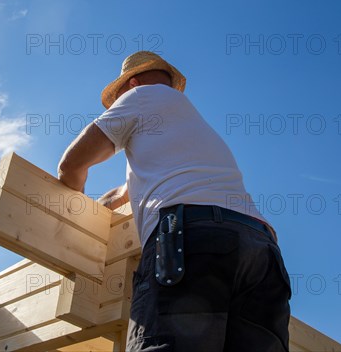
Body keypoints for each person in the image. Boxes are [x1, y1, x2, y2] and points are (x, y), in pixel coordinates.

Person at [57, 51, 292, 352]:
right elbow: (123, 193)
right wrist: (100, 207)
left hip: (192, 239)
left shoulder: (141, 96)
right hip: (263, 251)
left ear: (133, 83)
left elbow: (71, 164)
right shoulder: (190, 130)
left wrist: (69, 209)